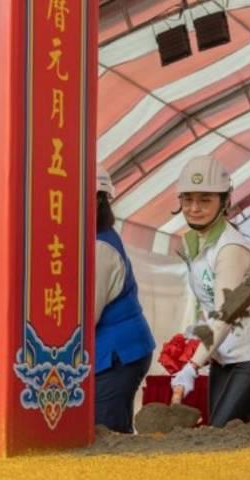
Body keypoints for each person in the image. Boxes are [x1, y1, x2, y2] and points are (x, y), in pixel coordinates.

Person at [170, 155, 250, 427]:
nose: (194, 208)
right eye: (188, 199)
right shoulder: (194, 244)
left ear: (224, 201)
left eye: (205, 200)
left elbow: (225, 313)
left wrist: (193, 365)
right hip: (224, 352)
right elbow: (207, 305)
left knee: (222, 433)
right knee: (218, 435)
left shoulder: (230, 248)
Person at [95, 166, 156, 433]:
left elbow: (87, 316)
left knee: (107, 432)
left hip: (119, 354)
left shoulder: (100, 248)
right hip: (113, 351)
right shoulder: (91, 238)